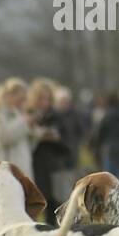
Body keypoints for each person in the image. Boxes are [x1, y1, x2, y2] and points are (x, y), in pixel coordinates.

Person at [27, 78, 71, 225]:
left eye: (47, 98)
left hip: (54, 169)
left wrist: (55, 138)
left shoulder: (57, 116)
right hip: (33, 167)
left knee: (53, 209)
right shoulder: (28, 115)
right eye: (41, 98)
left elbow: (68, 144)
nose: (44, 102)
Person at [0, 77, 34, 180]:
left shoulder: (18, 113)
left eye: (24, 100)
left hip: (19, 173)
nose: (22, 103)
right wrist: (24, 122)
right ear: (9, 95)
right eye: (20, 99)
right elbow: (1, 138)